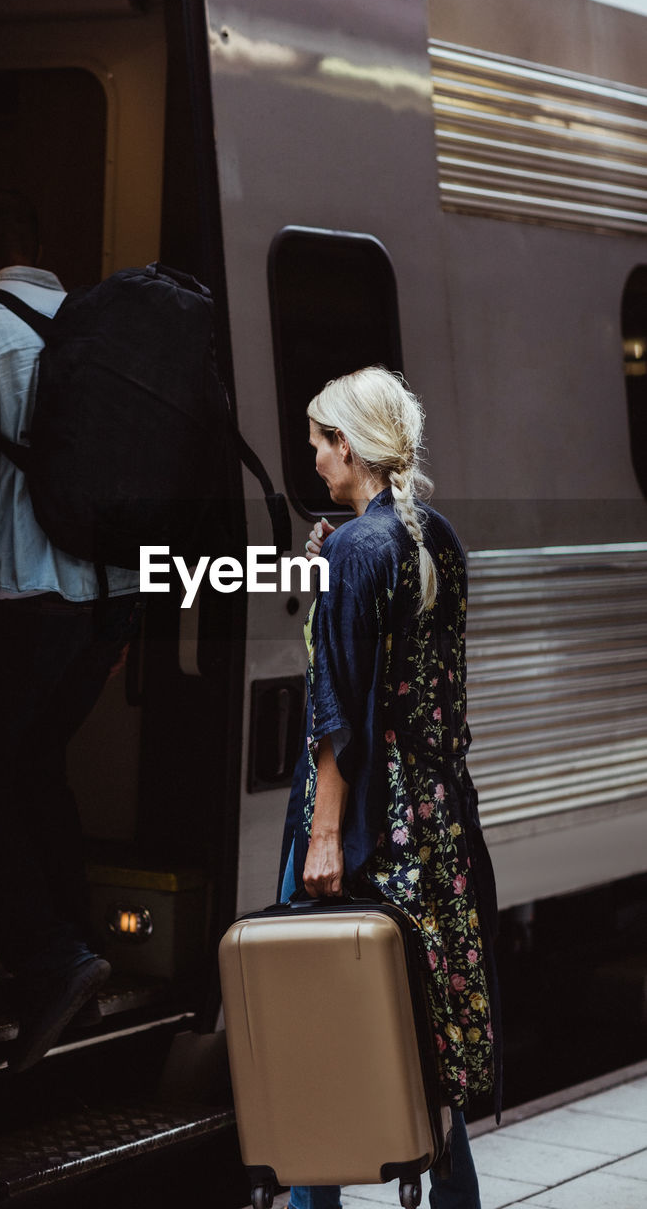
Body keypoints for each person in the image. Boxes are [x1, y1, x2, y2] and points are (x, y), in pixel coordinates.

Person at [278, 367, 500, 1209]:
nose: (315, 467)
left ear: (350, 445)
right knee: (424, 1028)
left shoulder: (356, 551)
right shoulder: (431, 536)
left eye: (319, 448)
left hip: (369, 819)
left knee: (319, 1013)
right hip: (433, 817)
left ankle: (314, 1204)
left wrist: (326, 835)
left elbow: (337, 708)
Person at [0, 188, 141, 1071]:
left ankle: (50, 956)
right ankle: (80, 953)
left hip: (23, 595)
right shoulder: (93, 327)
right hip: (104, 599)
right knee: (36, 768)